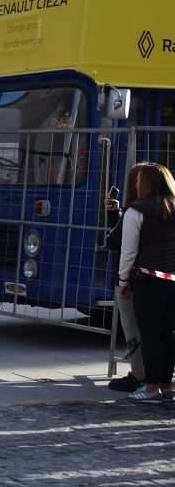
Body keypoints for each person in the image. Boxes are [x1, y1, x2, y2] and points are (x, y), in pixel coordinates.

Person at [118, 163, 175, 404]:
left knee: (149, 333)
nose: (137, 184)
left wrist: (123, 280)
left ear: (148, 183)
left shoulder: (136, 211)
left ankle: (151, 389)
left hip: (148, 278)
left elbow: (128, 252)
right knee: (167, 333)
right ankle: (165, 384)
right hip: (173, 279)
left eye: (140, 180)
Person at [104, 164, 146, 392]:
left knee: (133, 329)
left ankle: (140, 375)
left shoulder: (136, 211)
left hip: (134, 279)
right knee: (159, 331)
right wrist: (116, 215)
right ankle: (156, 378)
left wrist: (122, 281)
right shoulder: (166, 208)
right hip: (159, 278)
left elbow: (119, 244)